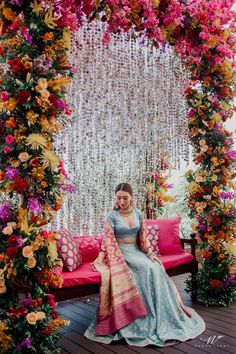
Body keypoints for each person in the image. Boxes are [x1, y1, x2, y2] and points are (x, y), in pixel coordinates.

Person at [84, 183, 205, 347]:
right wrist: (108, 257)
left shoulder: (139, 213)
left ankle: (161, 314)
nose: (121, 201)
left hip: (136, 251)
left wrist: (149, 253)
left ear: (131, 197)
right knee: (147, 268)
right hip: (120, 254)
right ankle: (140, 318)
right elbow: (107, 241)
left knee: (156, 266)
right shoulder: (112, 216)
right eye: (118, 198)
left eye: (125, 198)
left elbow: (143, 238)